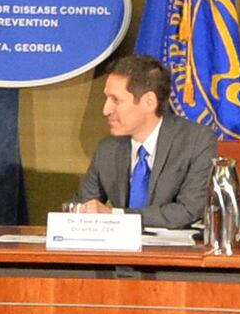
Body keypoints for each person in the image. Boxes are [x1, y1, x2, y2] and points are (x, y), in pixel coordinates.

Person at [72, 54, 221, 231]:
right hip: (117, 254)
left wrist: (116, 217)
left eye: (116, 100)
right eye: (107, 99)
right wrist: (81, 212)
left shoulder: (197, 141)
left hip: (174, 256)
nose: (106, 110)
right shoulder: (108, 148)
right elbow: (83, 204)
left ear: (149, 102)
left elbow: (188, 211)